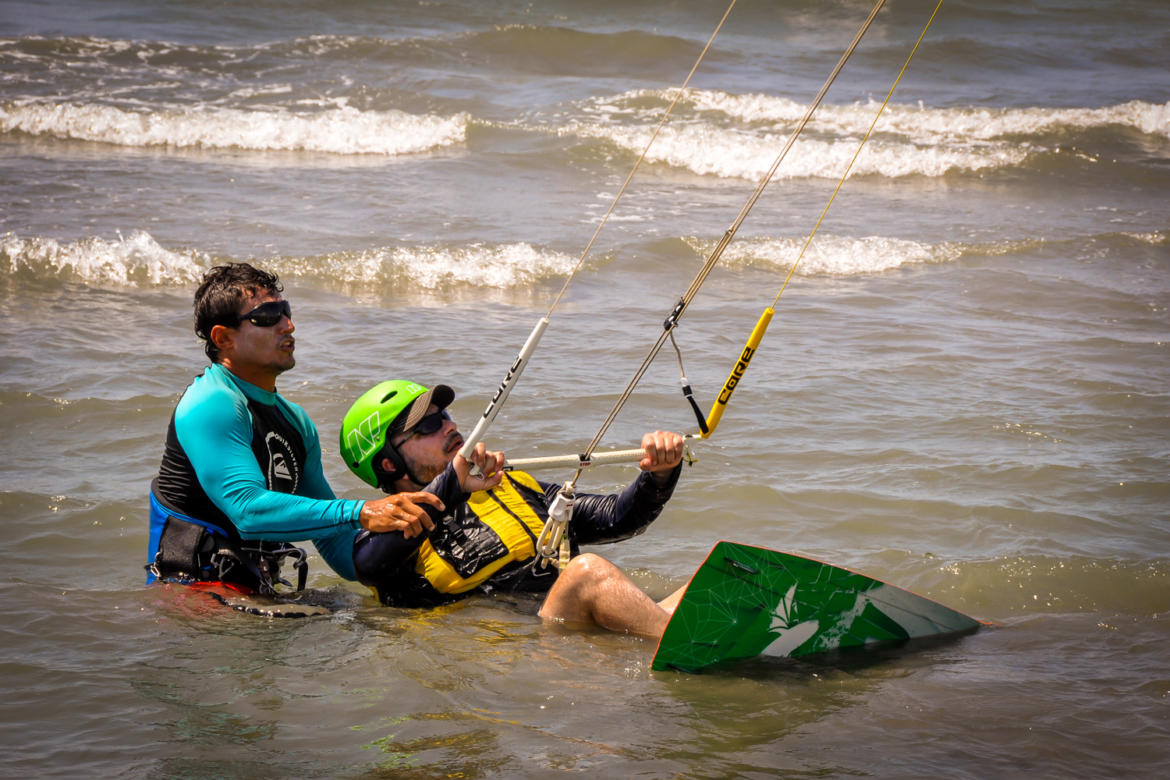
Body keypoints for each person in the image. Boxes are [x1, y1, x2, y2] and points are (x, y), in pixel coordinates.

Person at [145, 263, 447, 595]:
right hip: (193, 596)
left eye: (286, 312)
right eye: (268, 316)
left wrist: (445, 493)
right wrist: (362, 511)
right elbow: (247, 511)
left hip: (256, 595)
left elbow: (345, 555)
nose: (288, 325)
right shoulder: (211, 403)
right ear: (224, 338)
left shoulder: (296, 423)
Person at [340, 379, 688, 638]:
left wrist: (659, 473)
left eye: (444, 415)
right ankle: (683, 645)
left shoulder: (513, 483)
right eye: (428, 426)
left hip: (577, 631)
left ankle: (687, 641)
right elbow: (367, 566)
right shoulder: (386, 533)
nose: (451, 426)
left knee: (708, 585)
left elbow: (618, 518)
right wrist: (454, 485)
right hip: (525, 654)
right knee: (586, 572)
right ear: (389, 464)